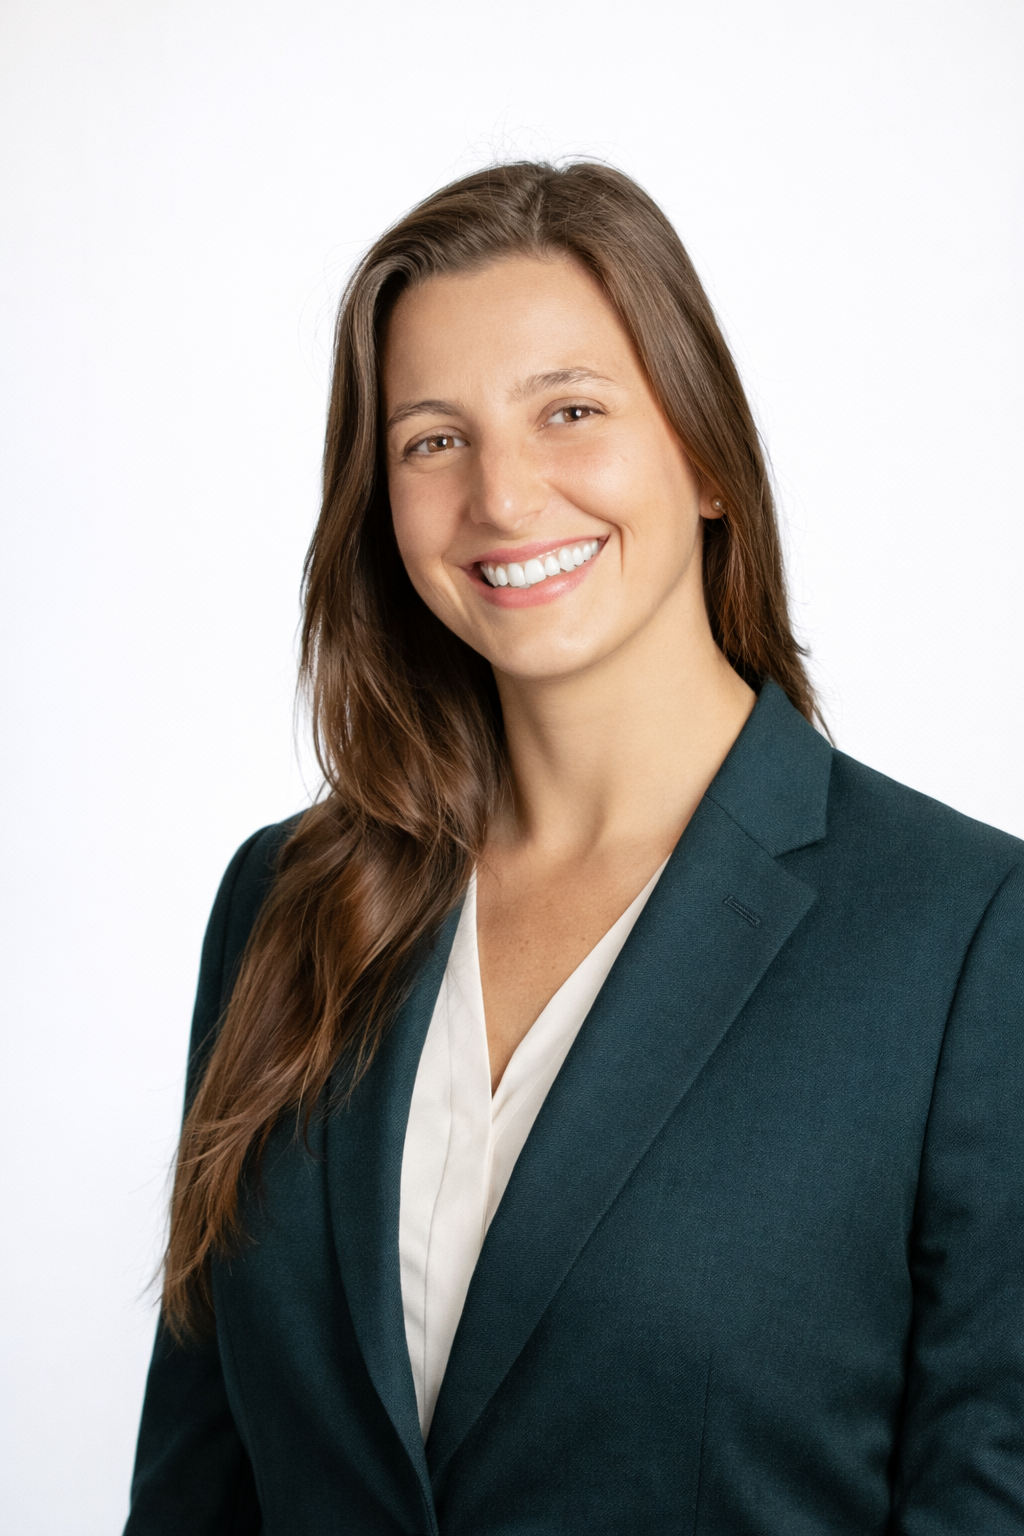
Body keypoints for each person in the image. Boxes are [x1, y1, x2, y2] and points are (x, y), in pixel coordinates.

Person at [125, 162, 1024, 1535]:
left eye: (571, 411)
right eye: (434, 440)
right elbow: (195, 1488)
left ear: (708, 458)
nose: (503, 494)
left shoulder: (965, 936)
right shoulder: (283, 903)